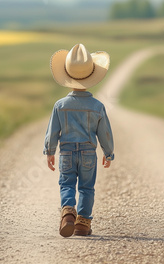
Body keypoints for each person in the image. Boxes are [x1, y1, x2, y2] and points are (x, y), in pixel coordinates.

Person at [43, 43, 115, 237]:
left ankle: (67, 212)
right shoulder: (97, 106)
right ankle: (83, 222)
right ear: (92, 77)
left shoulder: (60, 105)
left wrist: (49, 151)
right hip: (89, 153)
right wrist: (108, 153)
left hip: (66, 152)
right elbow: (104, 133)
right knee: (86, 187)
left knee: (66, 184)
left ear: (67, 75)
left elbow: (52, 131)